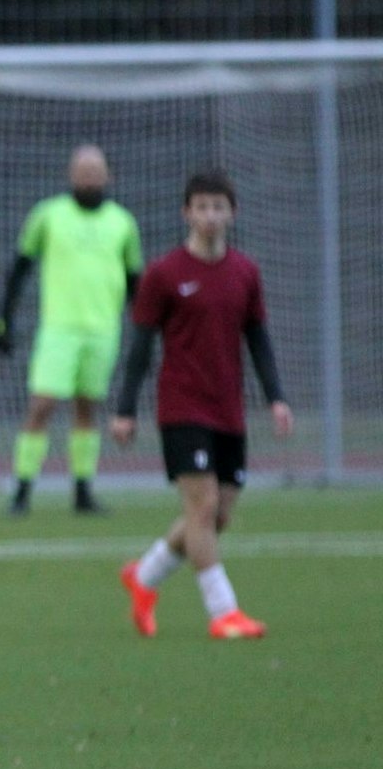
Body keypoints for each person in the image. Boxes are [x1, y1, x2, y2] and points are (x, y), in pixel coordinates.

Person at [112, 170, 292, 640]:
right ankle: (223, 612)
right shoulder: (164, 274)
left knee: (215, 517)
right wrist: (125, 408)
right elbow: (141, 347)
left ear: (233, 213)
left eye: (219, 207)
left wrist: (276, 399)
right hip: (181, 407)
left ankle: (144, 576)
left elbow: (258, 338)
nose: (211, 215)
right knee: (202, 505)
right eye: (202, 206)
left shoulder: (245, 273)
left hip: (228, 409)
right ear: (186, 212)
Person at [0, 144, 143, 516]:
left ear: (107, 175)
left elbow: (136, 282)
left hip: (103, 331)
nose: (89, 176)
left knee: (87, 408)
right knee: (41, 405)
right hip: (59, 330)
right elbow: (19, 270)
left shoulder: (122, 222)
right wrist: (4, 321)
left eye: (96, 170)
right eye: (83, 170)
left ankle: (82, 492)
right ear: (71, 174)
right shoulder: (48, 215)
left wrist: (145, 330)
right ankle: (22, 491)